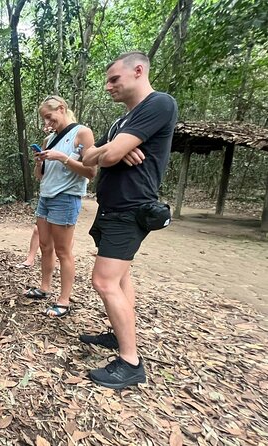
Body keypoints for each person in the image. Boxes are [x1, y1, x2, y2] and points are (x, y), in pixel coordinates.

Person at [81, 51, 178, 389]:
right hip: (111, 208)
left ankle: (130, 362)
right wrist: (109, 151)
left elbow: (106, 155)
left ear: (138, 71)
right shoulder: (120, 122)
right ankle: (118, 333)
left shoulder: (159, 104)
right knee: (121, 278)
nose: (108, 87)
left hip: (130, 209)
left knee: (104, 281)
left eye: (114, 79)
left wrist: (110, 152)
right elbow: (93, 159)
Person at [24, 96, 96, 319]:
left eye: (49, 116)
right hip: (45, 197)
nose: (47, 122)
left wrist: (63, 158)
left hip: (65, 198)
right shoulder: (48, 140)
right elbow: (40, 176)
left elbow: (90, 172)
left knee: (63, 251)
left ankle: (64, 301)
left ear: (62, 109)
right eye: (44, 118)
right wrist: (39, 162)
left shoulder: (82, 133)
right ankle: (44, 288)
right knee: (45, 246)